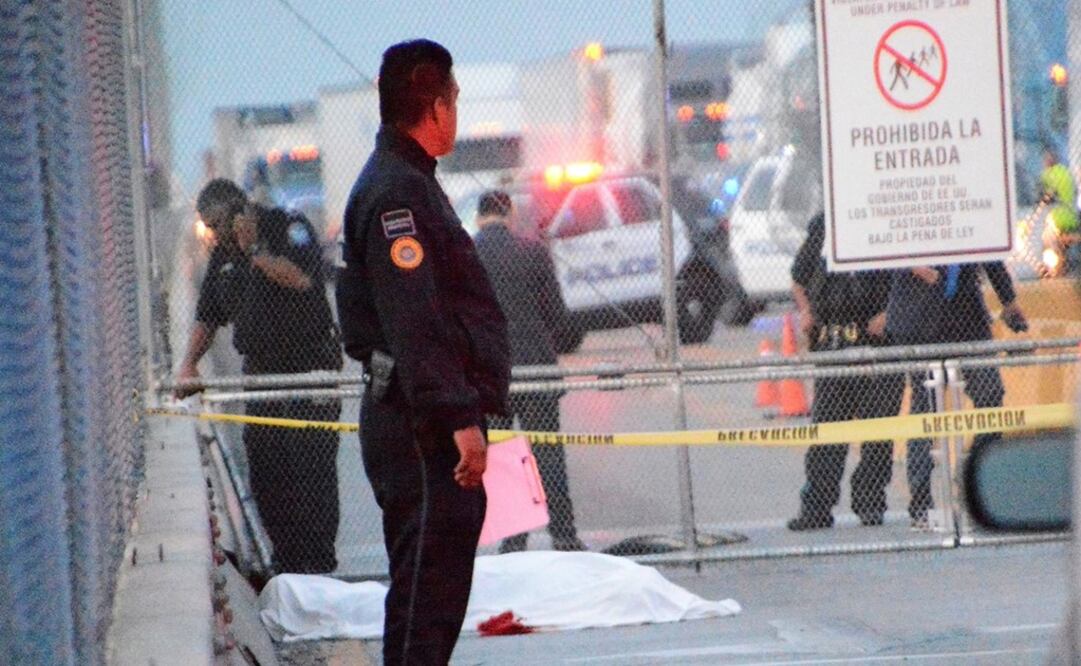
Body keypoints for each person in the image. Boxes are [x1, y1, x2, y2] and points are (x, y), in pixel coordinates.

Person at [334, 40, 511, 665]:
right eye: (455, 99)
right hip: (420, 426)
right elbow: (417, 322)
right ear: (433, 106)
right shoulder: (397, 196)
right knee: (423, 603)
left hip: (425, 416)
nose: (457, 112)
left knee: (432, 597)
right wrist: (459, 417)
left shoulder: (411, 184)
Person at [176, 178, 342, 573]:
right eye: (209, 228)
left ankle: (318, 564)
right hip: (262, 373)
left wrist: (254, 249)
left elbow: (301, 279)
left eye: (217, 224)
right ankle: (286, 560)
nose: (214, 235)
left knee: (310, 471)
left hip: (307, 369)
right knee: (268, 472)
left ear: (239, 213)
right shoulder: (224, 256)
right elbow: (207, 316)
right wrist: (188, 363)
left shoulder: (287, 228)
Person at [472, 190, 586, 554]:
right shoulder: (533, 250)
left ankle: (515, 539)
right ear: (510, 213)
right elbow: (557, 315)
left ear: (479, 217)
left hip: (491, 372)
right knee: (548, 451)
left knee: (504, 455)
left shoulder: (465, 254)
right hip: (535, 365)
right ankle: (564, 535)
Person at [884, 262, 1027, 528]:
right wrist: (913, 266)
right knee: (925, 409)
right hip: (920, 323)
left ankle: (980, 480)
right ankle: (921, 503)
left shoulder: (973, 223)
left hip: (967, 319)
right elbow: (879, 250)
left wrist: (1008, 301)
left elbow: (989, 254)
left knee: (990, 394)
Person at [787, 213, 902, 530]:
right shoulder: (824, 226)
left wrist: (890, 312)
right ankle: (816, 508)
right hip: (833, 345)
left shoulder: (889, 218)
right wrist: (807, 310)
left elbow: (910, 278)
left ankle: (869, 503)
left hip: (879, 349)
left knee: (877, 434)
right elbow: (798, 277)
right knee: (827, 433)